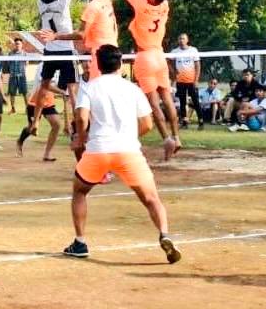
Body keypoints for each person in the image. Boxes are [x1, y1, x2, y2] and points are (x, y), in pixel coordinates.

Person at [64, 45, 182, 264]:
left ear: (98, 64)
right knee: (151, 199)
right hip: (128, 151)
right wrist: (129, 136)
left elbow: (81, 118)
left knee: (80, 191)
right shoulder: (133, 89)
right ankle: (165, 234)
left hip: (98, 150)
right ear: (120, 64)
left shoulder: (89, 87)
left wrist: (81, 137)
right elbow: (147, 123)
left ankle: (80, 242)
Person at [95, 0, 181, 160]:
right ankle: (177, 137)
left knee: (153, 103)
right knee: (167, 99)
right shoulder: (164, 5)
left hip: (145, 57)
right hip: (160, 56)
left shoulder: (142, 4)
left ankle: (166, 140)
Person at [29, 0, 82, 128]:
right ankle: (77, 124)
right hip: (66, 51)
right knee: (72, 90)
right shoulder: (63, 1)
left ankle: (34, 122)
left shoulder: (42, 5)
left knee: (44, 87)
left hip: (50, 52)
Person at [17, 76, 66, 160]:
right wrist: (62, 92)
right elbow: (46, 85)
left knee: (57, 125)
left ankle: (47, 154)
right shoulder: (43, 66)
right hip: (35, 102)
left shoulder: (61, 68)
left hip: (48, 103)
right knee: (32, 129)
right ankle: (20, 141)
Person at [170, 33, 202, 127]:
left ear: (187, 40)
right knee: (182, 102)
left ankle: (201, 120)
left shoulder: (193, 50)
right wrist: (174, 72)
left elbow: (198, 66)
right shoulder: (175, 51)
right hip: (180, 81)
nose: (181, 40)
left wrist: (196, 80)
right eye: (179, 38)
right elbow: (170, 62)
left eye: (183, 38)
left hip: (191, 81)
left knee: (195, 101)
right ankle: (184, 121)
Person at [5, 37, 29, 115]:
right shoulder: (10, 54)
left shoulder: (25, 54)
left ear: (21, 45)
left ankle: (28, 109)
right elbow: (8, 64)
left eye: (19, 44)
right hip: (13, 76)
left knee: (25, 93)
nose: (17, 45)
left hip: (22, 76)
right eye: (16, 44)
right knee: (12, 93)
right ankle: (13, 109)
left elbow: (27, 63)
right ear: (14, 45)